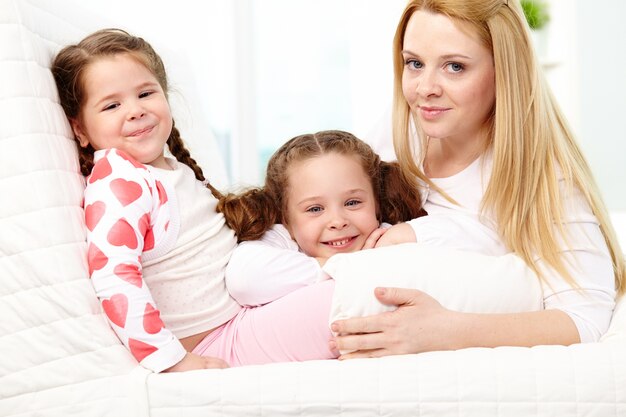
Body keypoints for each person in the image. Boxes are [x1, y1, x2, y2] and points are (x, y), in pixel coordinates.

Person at [331, 0, 625, 358]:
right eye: (415, 63)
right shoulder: (403, 133)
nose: (425, 88)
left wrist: (445, 330)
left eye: (455, 67)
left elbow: (584, 319)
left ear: (505, 71)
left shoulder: (545, 179)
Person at [52, 28, 350, 373]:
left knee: (337, 267)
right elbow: (115, 276)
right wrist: (171, 361)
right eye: (112, 105)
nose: (135, 110)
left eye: (145, 93)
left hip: (244, 314)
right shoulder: (119, 182)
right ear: (81, 131)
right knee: (348, 293)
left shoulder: (170, 169)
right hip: (220, 340)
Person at [220, 130, 426, 306]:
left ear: (376, 203)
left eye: (352, 202)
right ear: (286, 219)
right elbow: (244, 280)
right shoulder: (282, 239)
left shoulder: (384, 237)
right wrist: (350, 263)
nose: (338, 221)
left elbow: (452, 235)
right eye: (315, 209)